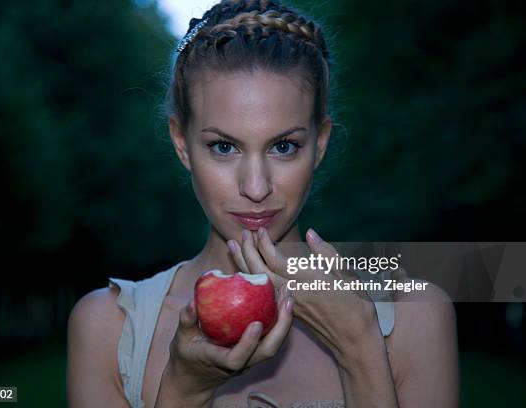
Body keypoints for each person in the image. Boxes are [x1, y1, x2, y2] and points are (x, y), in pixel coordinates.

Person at [67, 1, 459, 407]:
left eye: (284, 146)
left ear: (319, 144)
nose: (256, 187)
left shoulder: (416, 316)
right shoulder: (108, 328)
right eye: (223, 146)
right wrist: (184, 390)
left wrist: (359, 346)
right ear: (181, 144)